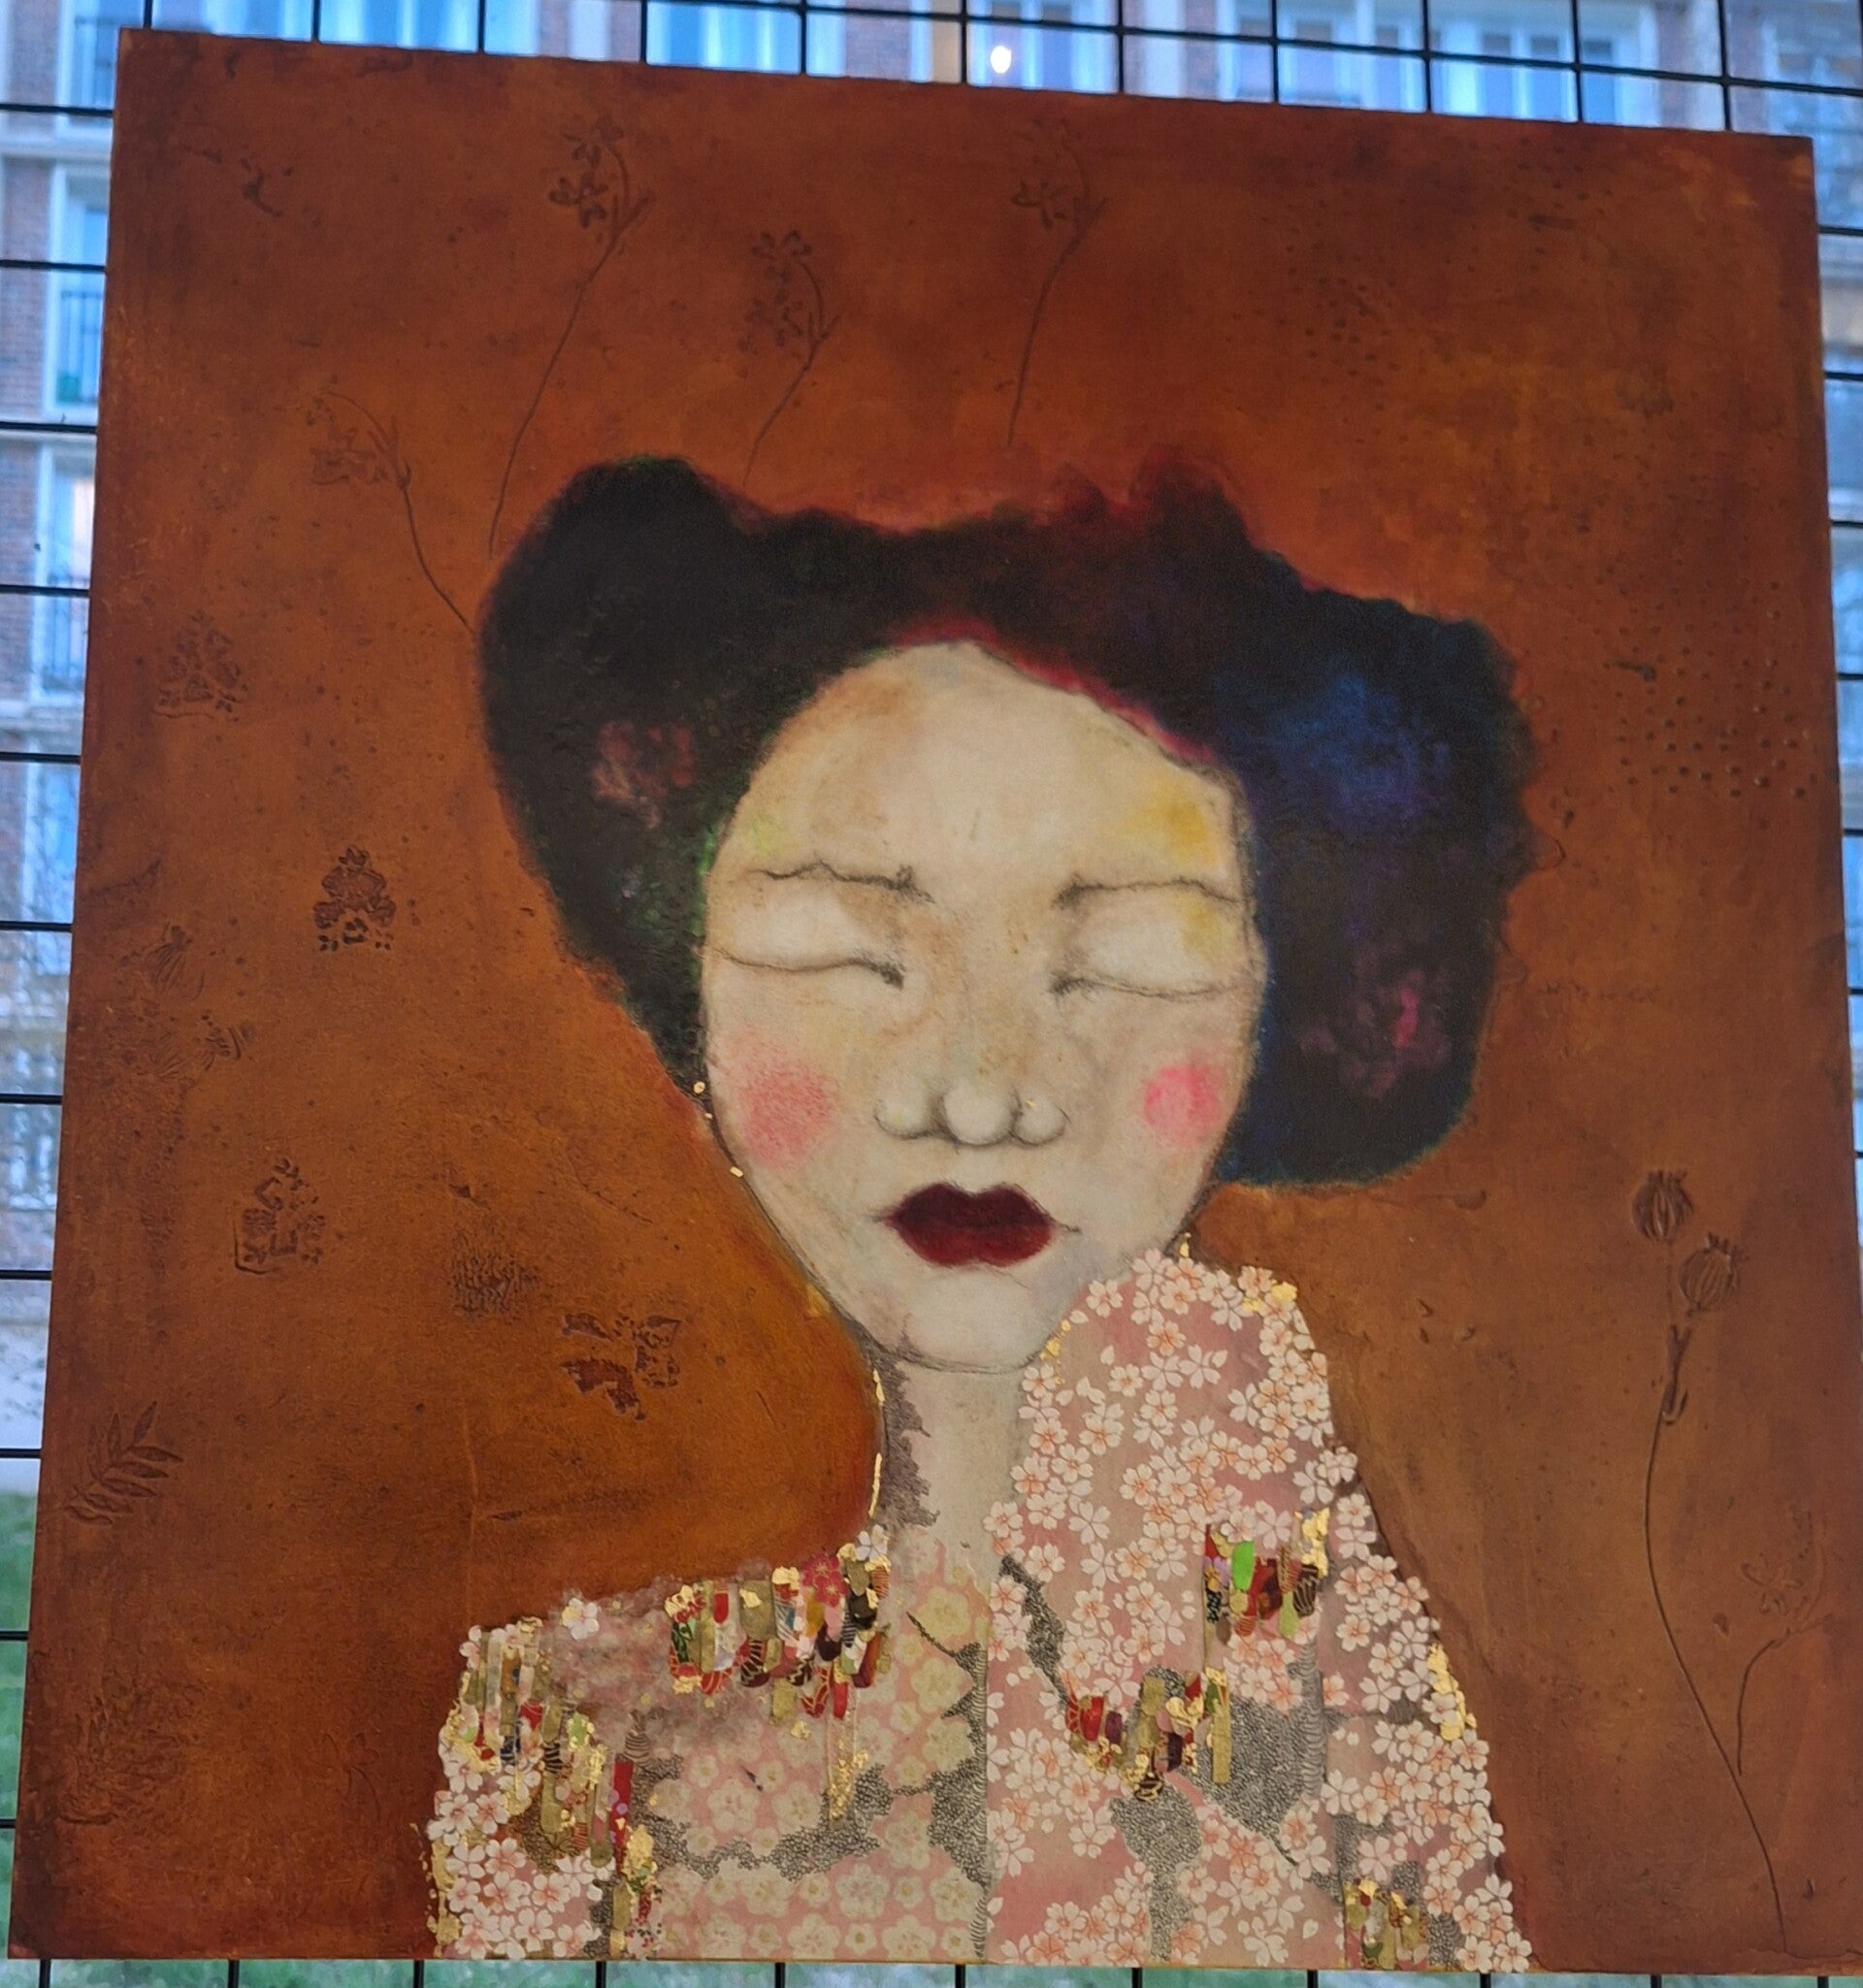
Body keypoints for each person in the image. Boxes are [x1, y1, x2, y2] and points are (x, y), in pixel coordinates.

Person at [424, 454, 1538, 1968]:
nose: (981, 1094)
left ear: (1281, 1007)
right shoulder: (573, 1755)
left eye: (1125, 959)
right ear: (695, 1005)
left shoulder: (1356, 1752)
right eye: (846, 949)